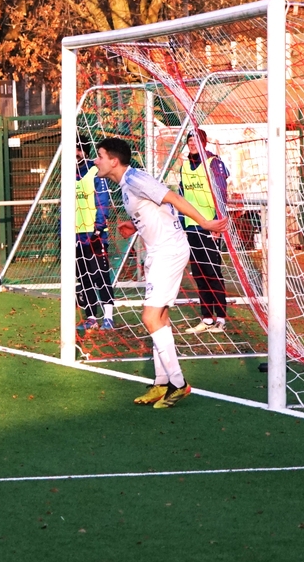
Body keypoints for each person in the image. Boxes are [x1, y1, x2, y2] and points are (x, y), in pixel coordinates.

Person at [93, 137, 227, 408]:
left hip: (169, 250)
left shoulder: (135, 179)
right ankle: (162, 382)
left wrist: (205, 223)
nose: (96, 161)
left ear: (114, 161)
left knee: (150, 317)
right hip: (159, 251)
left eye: (100, 156)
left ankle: (178, 383)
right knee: (160, 317)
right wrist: (133, 225)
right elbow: (156, 209)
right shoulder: (126, 184)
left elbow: (173, 198)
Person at [179, 129, 230, 334]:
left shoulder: (213, 163)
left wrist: (218, 224)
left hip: (210, 226)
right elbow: (182, 196)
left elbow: (222, 194)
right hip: (191, 226)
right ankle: (207, 318)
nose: (192, 144)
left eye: (196, 140)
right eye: (190, 140)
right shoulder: (184, 166)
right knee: (199, 273)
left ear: (204, 142)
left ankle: (221, 319)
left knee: (212, 272)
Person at [75, 139, 116, 332]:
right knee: (84, 278)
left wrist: (98, 227)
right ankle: (91, 317)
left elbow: (102, 201)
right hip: (75, 235)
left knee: (100, 275)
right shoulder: (69, 174)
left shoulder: (95, 172)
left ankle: (108, 316)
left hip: (94, 234)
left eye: (78, 150)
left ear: (84, 152)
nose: (75, 154)